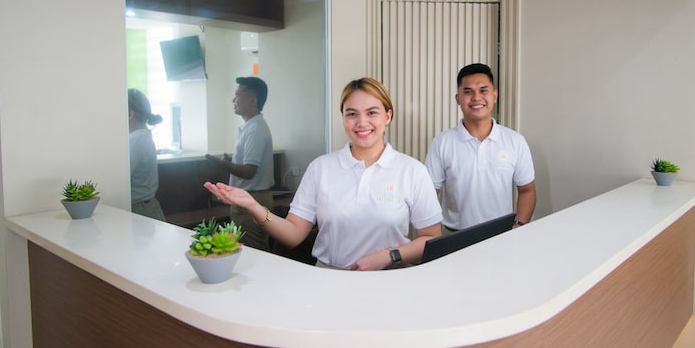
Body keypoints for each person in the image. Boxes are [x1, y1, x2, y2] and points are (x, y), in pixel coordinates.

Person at [205, 78, 441, 270]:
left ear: (387, 116)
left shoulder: (412, 171)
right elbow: (294, 234)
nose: (362, 122)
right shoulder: (321, 168)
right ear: (343, 117)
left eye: (372, 112)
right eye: (351, 114)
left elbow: (431, 238)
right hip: (328, 280)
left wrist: (391, 255)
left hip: (389, 281)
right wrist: (253, 206)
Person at [425, 63, 536, 231]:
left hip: (503, 234)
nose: (476, 97)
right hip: (454, 236)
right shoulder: (442, 143)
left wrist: (518, 226)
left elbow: (527, 190)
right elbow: (428, 195)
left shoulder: (515, 141)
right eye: (468, 92)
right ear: (458, 99)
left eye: (483, 90)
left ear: (494, 95)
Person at [206, 76, 274, 251]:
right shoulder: (252, 127)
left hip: (252, 200)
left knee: (253, 253)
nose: (233, 100)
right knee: (257, 250)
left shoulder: (255, 129)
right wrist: (230, 162)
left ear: (252, 100)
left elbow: (249, 171)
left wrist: (220, 164)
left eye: (237, 95)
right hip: (251, 199)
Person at [128, 88, 167, 221]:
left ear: (130, 114)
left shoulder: (135, 140)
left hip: (140, 209)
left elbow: (120, 179)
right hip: (147, 207)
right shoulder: (143, 137)